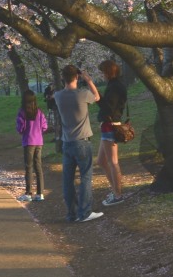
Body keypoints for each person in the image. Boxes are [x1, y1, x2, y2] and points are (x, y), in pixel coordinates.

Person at [50, 64, 103, 223]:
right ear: (77, 77)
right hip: (82, 142)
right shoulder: (83, 94)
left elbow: (54, 94)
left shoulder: (58, 96)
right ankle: (85, 212)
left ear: (63, 78)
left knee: (68, 179)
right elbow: (97, 96)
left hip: (67, 142)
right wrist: (88, 80)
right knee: (85, 177)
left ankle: (71, 213)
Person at [96, 58, 131, 206]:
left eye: (103, 72)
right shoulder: (116, 85)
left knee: (112, 162)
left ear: (108, 72)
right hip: (109, 126)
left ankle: (118, 194)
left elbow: (108, 107)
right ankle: (116, 190)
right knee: (101, 161)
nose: (102, 75)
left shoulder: (115, 87)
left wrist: (95, 94)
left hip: (110, 126)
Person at [16, 91, 48, 202]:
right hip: (39, 142)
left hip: (28, 142)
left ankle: (29, 193)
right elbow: (44, 126)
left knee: (28, 167)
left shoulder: (22, 112)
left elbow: (20, 128)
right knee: (38, 167)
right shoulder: (39, 112)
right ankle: (40, 193)